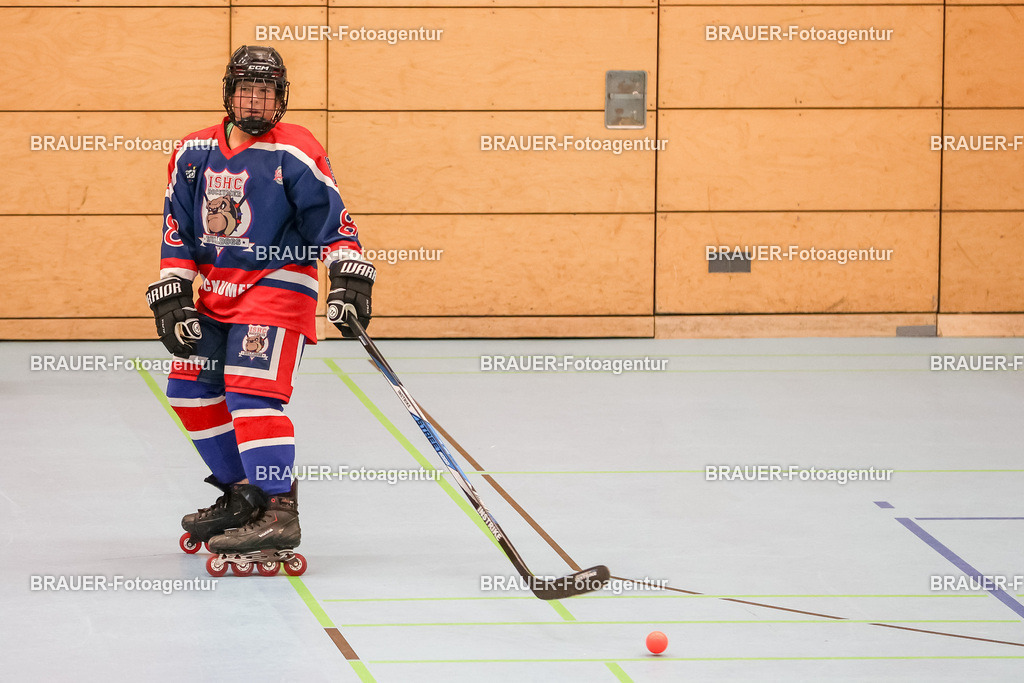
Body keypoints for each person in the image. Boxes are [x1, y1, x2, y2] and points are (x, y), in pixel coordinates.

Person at [145, 45, 375, 576]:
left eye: (267, 91)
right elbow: (176, 225)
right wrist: (175, 291)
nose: (256, 100)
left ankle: (278, 509)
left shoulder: (295, 150)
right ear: (229, 93)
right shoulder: (192, 150)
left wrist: (348, 278)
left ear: (281, 97)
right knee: (189, 388)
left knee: (250, 393)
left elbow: (333, 220)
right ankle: (242, 495)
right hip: (218, 291)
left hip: (279, 286)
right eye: (247, 89)